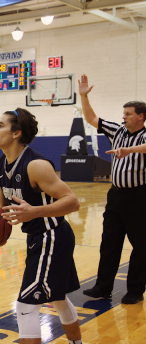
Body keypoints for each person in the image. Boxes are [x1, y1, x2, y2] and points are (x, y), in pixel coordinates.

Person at [0, 107, 82, 344]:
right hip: (38, 238)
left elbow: (73, 202)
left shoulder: (36, 165)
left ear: (16, 133)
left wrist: (34, 212)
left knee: (25, 305)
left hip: (53, 236)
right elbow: (1, 209)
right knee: (59, 297)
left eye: (0, 125)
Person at [79, 74, 146, 304]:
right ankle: (102, 287)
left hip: (139, 197)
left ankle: (135, 291)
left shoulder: (145, 135)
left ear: (141, 117)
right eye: (123, 113)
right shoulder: (117, 131)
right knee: (109, 243)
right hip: (116, 196)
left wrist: (131, 150)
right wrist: (83, 96)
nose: (123, 117)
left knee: (141, 245)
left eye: (128, 114)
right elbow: (92, 118)